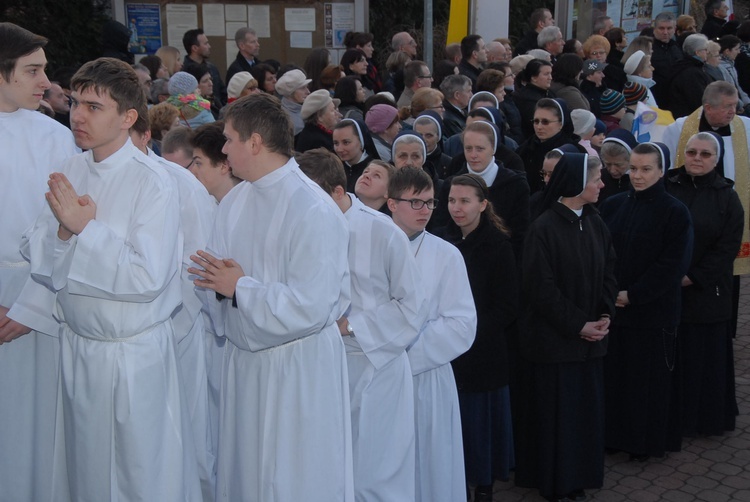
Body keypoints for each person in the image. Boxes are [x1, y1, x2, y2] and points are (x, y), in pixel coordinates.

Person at [22, 56, 201, 500]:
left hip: (131, 356)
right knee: (84, 476)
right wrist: (65, 232)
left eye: (94, 107)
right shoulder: (73, 167)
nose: (78, 115)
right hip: (80, 348)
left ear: (128, 117)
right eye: (76, 103)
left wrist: (86, 230)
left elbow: (147, 276)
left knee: (138, 477)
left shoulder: (154, 182)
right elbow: (39, 254)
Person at [189, 94, 354, 501]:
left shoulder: (312, 207)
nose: (223, 149)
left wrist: (240, 288)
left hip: (298, 369)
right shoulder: (236, 201)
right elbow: (216, 277)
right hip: (245, 364)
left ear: (256, 142)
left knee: (295, 479)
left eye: (228, 139)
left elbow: (312, 305)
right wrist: (220, 287)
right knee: (246, 476)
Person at [296, 147, 425, 502]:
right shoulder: (303, 225)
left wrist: (350, 326)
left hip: (374, 368)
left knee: (374, 475)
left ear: (338, 193)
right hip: (321, 366)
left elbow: (413, 307)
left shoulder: (382, 231)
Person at [0, 23, 78, 502]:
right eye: (32, 71)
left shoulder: (55, 138)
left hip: (38, 297)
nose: (46, 83)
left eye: (45, 71)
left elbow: (65, 229)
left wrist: (30, 305)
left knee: (35, 428)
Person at [515, 153, 617, 502]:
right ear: (576, 183)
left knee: (584, 417)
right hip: (555, 344)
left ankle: (580, 477)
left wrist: (605, 315)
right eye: (596, 178)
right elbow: (541, 290)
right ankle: (557, 482)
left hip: (589, 342)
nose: (602, 184)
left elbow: (609, 271)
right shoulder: (543, 228)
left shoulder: (595, 221)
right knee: (558, 420)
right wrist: (578, 325)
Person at [129, 104, 217, 499]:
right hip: (119, 338)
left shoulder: (179, 183)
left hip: (172, 328)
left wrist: (164, 322)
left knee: (185, 434)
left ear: (144, 136)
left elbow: (197, 262)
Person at [599, 142, 693, 461]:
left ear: (661, 171)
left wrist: (634, 295)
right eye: (633, 169)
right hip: (616, 311)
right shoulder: (613, 205)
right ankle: (613, 436)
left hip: (654, 313)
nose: (637, 176)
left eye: (645, 169)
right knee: (617, 378)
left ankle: (643, 443)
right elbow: (601, 255)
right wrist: (611, 292)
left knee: (647, 383)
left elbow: (672, 265)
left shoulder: (675, 212)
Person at [388, 166, 476, 502]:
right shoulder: (364, 245)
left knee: (429, 463)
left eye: (429, 203)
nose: (425, 211)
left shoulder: (446, 254)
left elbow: (461, 323)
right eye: (416, 203)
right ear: (391, 203)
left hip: (426, 376)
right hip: (375, 375)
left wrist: (407, 356)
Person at [443, 173, 519, 501]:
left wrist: (466, 330)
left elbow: (508, 306)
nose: (456, 208)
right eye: (451, 200)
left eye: (464, 201)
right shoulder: (443, 239)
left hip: (483, 352)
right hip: (449, 351)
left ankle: (484, 486)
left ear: (483, 204)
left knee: (481, 427)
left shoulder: (498, 246)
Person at [665, 132, 743, 437]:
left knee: (702, 360)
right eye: (692, 152)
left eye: (705, 154)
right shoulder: (669, 185)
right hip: (668, 288)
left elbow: (727, 247)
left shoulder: (727, 197)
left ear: (717, 158)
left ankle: (702, 419)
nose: (697, 159)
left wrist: (693, 277)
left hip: (707, 292)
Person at [517, 97, 580, 194]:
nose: (539, 127)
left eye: (545, 122)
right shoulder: (525, 148)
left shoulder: (571, 151)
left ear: (560, 124)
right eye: (536, 121)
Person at [188, 121, 241, 202]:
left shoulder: (248, 208)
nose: (192, 171)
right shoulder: (210, 205)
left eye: (198, 163)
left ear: (223, 166)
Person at [182, 28, 226, 107]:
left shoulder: (212, 68)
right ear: (195, 48)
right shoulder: (184, 73)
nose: (209, 46)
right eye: (205, 44)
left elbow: (223, 93)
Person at [513, 59, 556, 140]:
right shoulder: (528, 100)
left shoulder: (549, 93)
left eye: (550, 74)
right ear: (534, 78)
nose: (550, 77)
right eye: (546, 74)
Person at [333, 118, 379, 191]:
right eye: (336, 143)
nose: (339, 149)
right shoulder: (333, 169)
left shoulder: (377, 171)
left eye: (346, 142)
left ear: (361, 142)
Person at [651, 12, 684, 106]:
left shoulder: (676, 47)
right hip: (656, 98)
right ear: (654, 29)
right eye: (661, 28)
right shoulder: (648, 48)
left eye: (669, 28)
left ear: (675, 29)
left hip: (675, 98)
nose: (665, 32)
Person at [599, 129, 638, 204]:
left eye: (618, 165)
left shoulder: (639, 181)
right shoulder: (599, 178)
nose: (612, 170)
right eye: (608, 164)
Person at [718, 35, 750, 113]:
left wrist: (747, 101)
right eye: (736, 49)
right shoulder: (722, 67)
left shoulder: (731, 64)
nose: (739, 52)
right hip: (734, 106)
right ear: (727, 51)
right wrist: (740, 104)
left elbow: (738, 87)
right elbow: (730, 88)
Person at [275, 68, 312, 135]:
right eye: (302, 88)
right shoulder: (283, 117)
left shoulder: (308, 110)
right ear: (291, 92)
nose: (308, 92)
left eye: (307, 87)